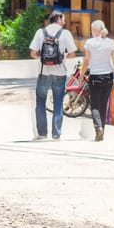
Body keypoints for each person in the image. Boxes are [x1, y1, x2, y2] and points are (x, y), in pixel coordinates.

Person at [29, 10, 77, 140]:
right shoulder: (65, 33)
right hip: (60, 73)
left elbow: (33, 53)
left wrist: (42, 57)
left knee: (40, 102)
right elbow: (72, 53)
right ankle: (56, 134)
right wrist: (63, 56)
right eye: (64, 19)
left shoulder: (41, 32)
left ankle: (42, 134)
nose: (65, 22)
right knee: (58, 102)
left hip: (43, 72)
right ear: (58, 19)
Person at [79, 19, 114, 141]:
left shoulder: (89, 43)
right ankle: (101, 131)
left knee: (94, 105)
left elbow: (86, 61)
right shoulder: (110, 42)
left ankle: (98, 128)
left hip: (95, 77)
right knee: (103, 105)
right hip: (108, 77)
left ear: (94, 30)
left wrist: (81, 75)